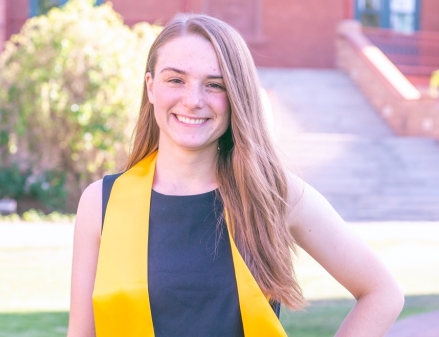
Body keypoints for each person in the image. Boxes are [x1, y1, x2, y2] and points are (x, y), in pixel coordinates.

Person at [67, 13, 404, 337]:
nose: (193, 100)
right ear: (151, 87)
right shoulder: (102, 203)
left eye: (215, 84)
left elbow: (381, 292)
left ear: (236, 96)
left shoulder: (272, 194)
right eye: (175, 80)